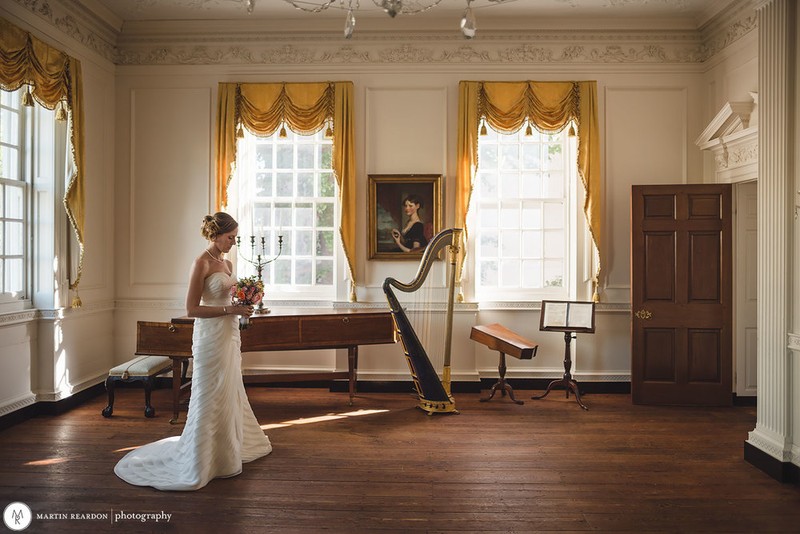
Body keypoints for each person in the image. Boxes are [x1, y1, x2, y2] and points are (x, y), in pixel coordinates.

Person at [114, 212, 272, 491]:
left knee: (229, 386)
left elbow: (229, 295)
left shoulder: (228, 262)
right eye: (230, 238)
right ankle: (203, 457)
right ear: (215, 235)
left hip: (229, 333)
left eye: (235, 238)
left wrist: (247, 299)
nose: (233, 243)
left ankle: (227, 449)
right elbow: (192, 310)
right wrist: (230, 309)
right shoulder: (200, 263)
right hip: (210, 335)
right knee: (209, 390)